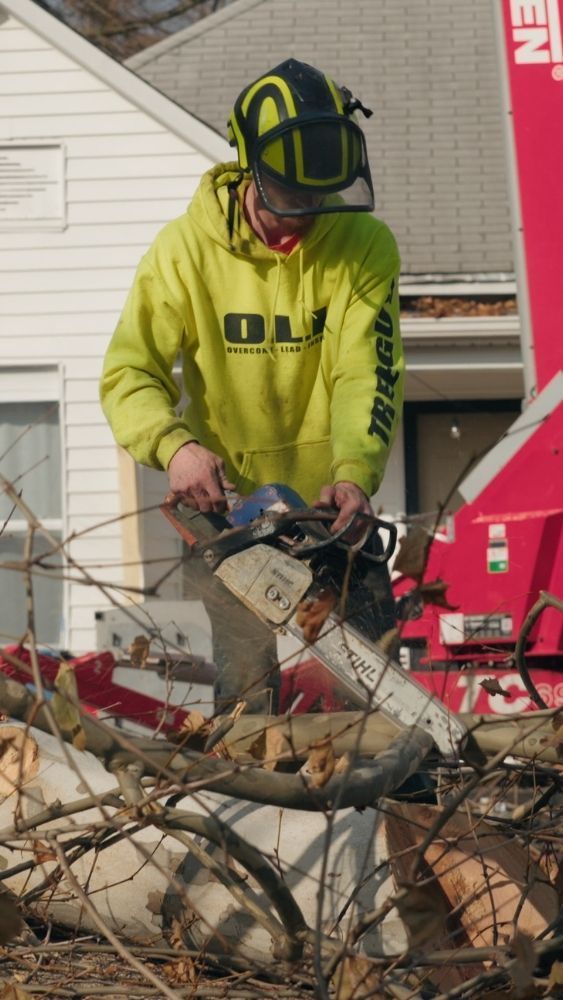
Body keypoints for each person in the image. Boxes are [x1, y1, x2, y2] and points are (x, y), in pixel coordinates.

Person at [100, 58, 404, 714]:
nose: (301, 216)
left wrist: (352, 472)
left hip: (333, 514)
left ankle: (397, 812)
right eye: (288, 197)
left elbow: (365, 372)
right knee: (245, 710)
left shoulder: (362, 246)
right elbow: (130, 374)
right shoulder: (182, 253)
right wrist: (174, 445)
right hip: (233, 519)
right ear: (250, 170)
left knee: (383, 713)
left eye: (315, 201)